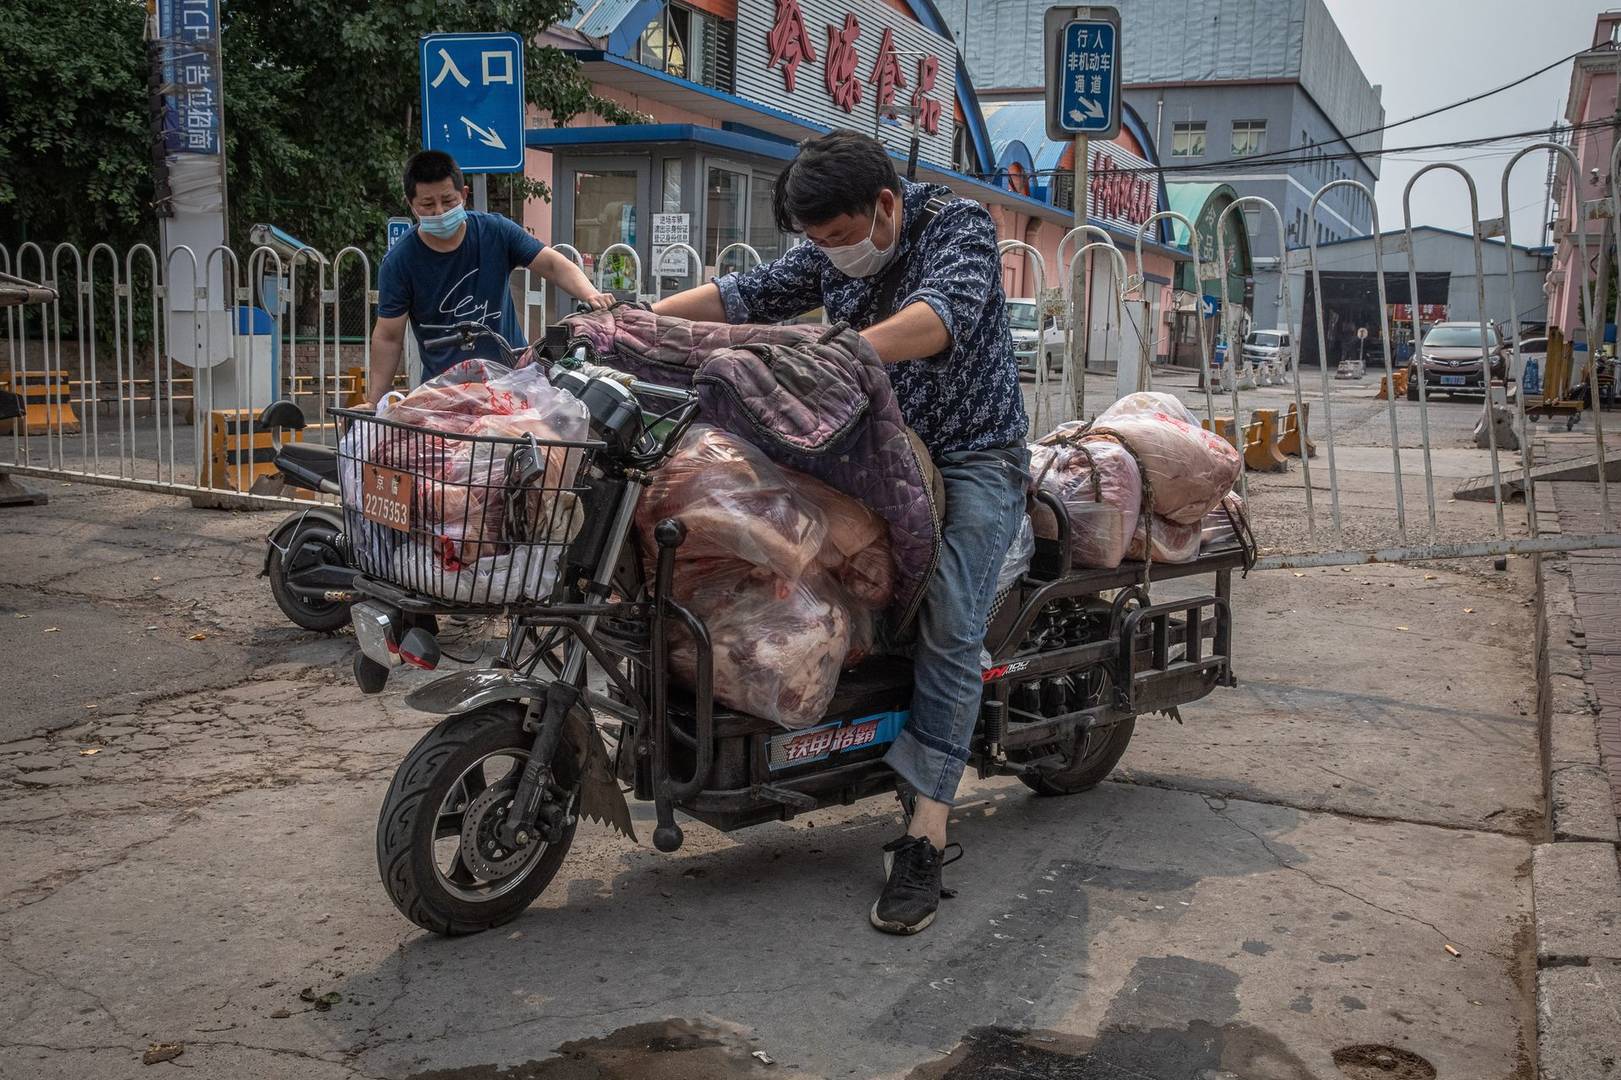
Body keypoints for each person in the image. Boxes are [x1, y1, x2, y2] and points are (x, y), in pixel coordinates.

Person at [652, 130, 1029, 935]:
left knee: (950, 622)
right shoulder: (830, 250)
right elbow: (743, 295)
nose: (827, 255)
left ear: (884, 207)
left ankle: (924, 834)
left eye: (835, 238)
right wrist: (630, 324)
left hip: (969, 458)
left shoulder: (957, 229)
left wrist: (838, 353)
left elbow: (937, 318)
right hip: (865, 451)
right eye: (815, 244)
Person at [367, 150, 613, 404]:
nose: (439, 212)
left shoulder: (495, 232)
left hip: (512, 383)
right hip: (445, 395)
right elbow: (388, 336)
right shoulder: (400, 261)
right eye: (428, 205)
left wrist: (590, 294)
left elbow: (552, 263)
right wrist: (375, 401)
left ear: (464, 194)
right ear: (411, 205)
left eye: (448, 201)